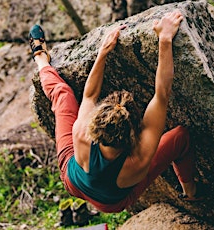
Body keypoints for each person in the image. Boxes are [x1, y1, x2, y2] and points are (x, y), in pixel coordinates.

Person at [29, 10, 198, 213]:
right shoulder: (139, 160)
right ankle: (190, 191)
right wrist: (165, 39)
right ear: (135, 133)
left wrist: (103, 52)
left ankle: (40, 58)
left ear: (96, 124)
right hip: (111, 204)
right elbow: (162, 93)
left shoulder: (81, 134)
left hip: (73, 181)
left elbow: (90, 95)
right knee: (181, 137)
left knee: (62, 95)